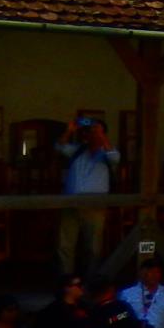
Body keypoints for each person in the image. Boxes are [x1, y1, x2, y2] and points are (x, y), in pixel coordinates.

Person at [55, 115, 120, 276]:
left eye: (96, 131)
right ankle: (66, 280)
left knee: (93, 247)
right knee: (65, 245)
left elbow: (115, 158)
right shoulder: (77, 150)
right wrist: (70, 131)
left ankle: (91, 280)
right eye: (90, 131)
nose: (92, 134)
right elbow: (59, 146)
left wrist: (101, 136)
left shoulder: (107, 153)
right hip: (71, 203)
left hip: (94, 205)